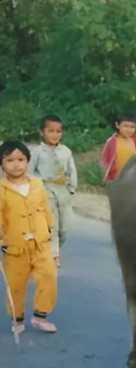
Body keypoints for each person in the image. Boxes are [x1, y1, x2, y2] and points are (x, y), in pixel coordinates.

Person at [0, 140, 59, 333]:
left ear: (27, 161)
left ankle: (40, 317)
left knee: (48, 277)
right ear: (2, 164)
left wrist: (50, 231)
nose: (16, 164)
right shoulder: (1, 189)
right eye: (9, 160)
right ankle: (17, 319)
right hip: (15, 248)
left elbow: (45, 210)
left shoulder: (36, 184)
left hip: (40, 243)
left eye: (21, 159)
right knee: (15, 285)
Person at [28, 115, 78, 266]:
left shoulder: (66, 151)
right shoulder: (36, 152)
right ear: (42, 132)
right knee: (52, 225)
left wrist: (71, 189)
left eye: (58, 131)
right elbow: (29, 172)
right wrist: (34, 190)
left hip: (63, 192)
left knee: (64, 229)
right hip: (45, 191)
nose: (55, 135)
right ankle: (53, 256)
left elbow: (72, 171)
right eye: (51, 131)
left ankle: (49, 249)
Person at [99, 114, 136, 183]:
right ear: (117, 125)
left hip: (133, 178)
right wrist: (106, 174)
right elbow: (104, 159)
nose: (129, 130)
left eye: (132, 127)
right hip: (116, 178)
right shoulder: (111, 142)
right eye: (125, 126)